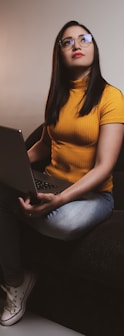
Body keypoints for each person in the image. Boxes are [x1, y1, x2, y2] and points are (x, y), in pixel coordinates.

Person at [0, 20, 124, 327]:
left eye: (84, 39)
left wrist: (59, 200)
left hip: (93, 195)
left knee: (64, 223)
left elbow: (104, 167)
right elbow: (44, 144)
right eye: (67, 42)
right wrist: (12, 165)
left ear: (94, 48)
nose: (77, 45)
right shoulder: (56, 96)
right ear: (60, 54)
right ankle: (16, 281)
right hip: (51, 183)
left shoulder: (111, 97)